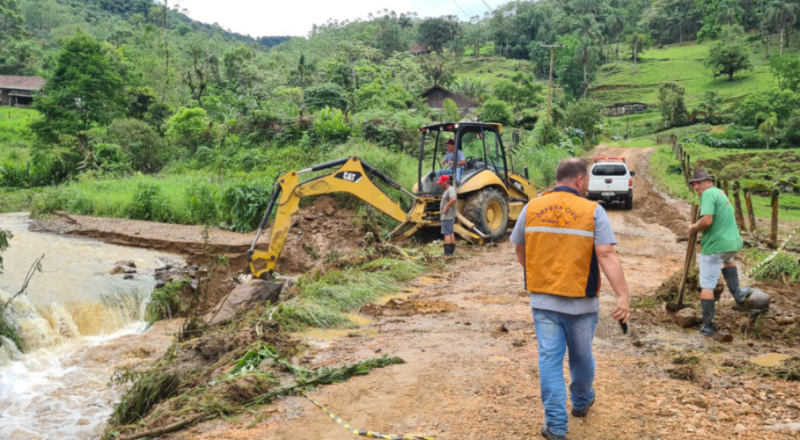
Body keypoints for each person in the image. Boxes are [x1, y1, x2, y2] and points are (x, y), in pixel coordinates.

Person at [510, 158, 631, 440]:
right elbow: (607, 254)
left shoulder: (533, 206)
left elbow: (519, 248)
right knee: (581, 357)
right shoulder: (593, 211)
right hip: (581, 302)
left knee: (550, 361)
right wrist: (623, 295)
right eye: (587, 180)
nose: (587, 185)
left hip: (544, 301)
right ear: (579, 180)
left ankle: (555, 427)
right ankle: (580, 403)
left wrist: (538, 273)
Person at [688, 168, 751, 336]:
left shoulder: (708, 194)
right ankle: (738, 294)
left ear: (709, 182)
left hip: (715, 247)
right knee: (728, 259)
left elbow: (707, 220)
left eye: (699, 182)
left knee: (707, 285)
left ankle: (708, 326)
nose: (696, 186)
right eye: (694, 183)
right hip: (732, 243)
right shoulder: (720, 193)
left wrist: (693, 227)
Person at [438, 174, 457, 256]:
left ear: (445, 182)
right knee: (450, 232)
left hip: (447, 215)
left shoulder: (450, 190)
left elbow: (453, 199)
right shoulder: (449, 190)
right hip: (449, 215)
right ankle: (451, 251)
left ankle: (447, 253)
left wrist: (445, 208)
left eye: (440, 182)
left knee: (446, 233)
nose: (439, 184)